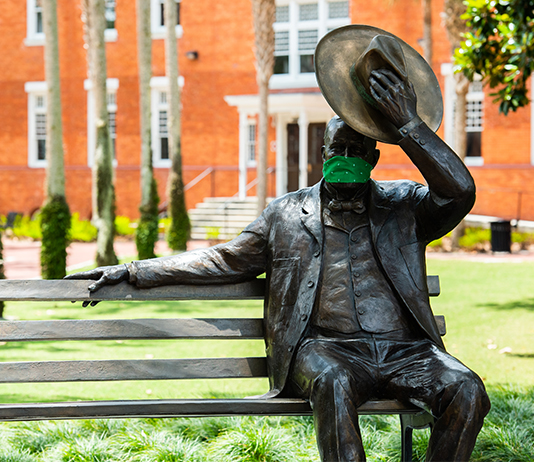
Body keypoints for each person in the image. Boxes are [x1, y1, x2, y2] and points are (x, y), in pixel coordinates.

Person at [68, 26, 490, 462]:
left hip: (406, 352)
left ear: (374, 158)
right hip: (327, 352)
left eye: (356, 151)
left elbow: (460, 192)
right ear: (321, 154)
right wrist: (135, 270)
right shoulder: (285, 215)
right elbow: (220, 259)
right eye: (336, 150)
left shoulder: (406, 207)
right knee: (334, 381)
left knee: (467, 388)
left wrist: (408, 125)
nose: (345, 159)